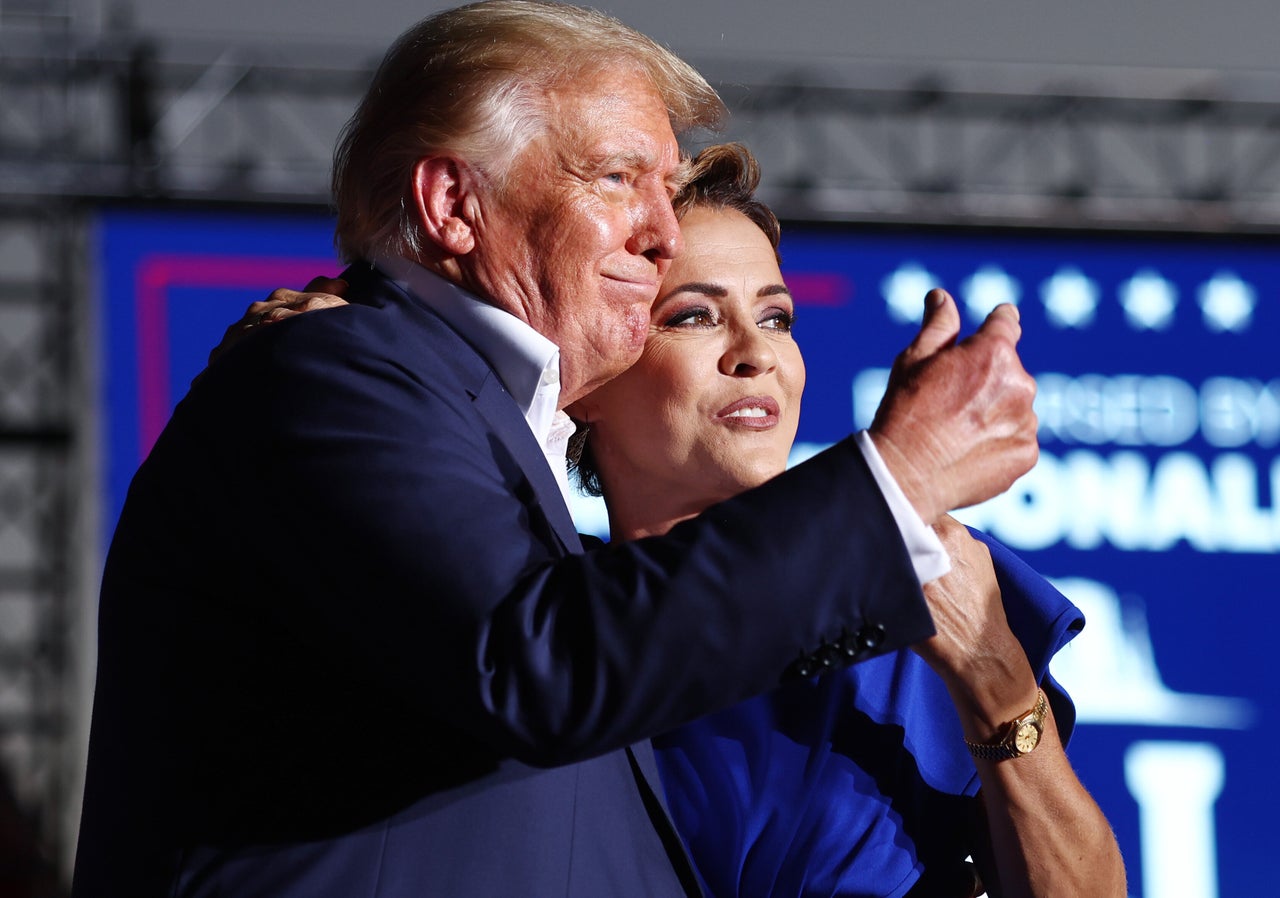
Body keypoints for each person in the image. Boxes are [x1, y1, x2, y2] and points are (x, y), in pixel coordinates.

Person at [72, 3, 1039, 897]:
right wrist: (897, 477)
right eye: (619, 178)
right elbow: (536, 661)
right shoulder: (335, 370)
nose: (663, 235)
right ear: (453, 205)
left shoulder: (470, 434)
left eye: (665, 191)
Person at [241, 143, 1125, 897]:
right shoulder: (521, 625)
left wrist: (1000, 687)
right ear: (585, 376)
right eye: (694, 315)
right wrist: (402, 352)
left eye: (776, 316)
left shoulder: (917, 588)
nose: (755, 355)